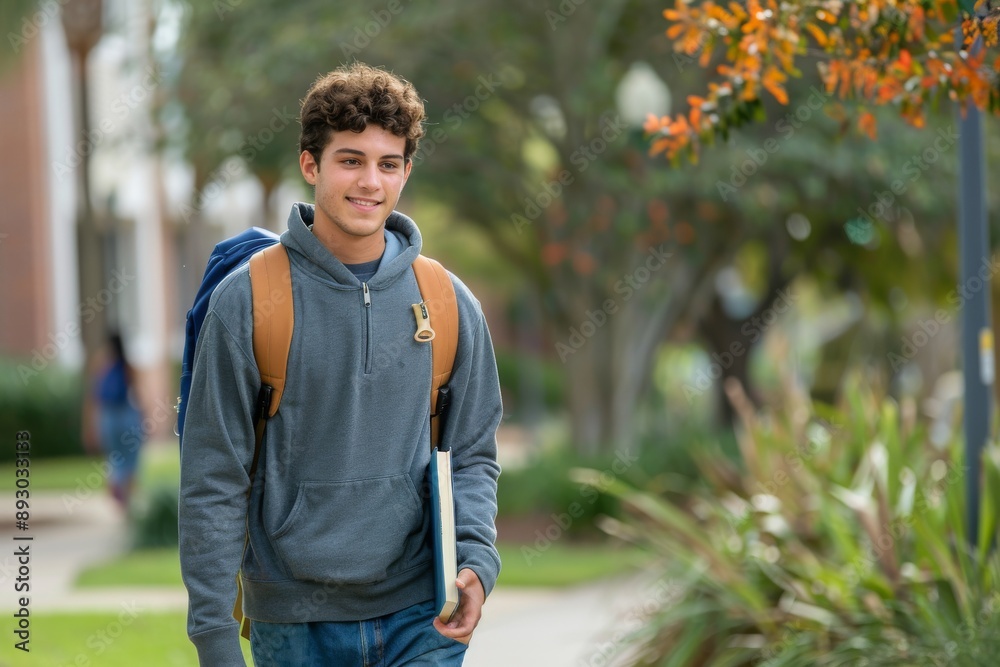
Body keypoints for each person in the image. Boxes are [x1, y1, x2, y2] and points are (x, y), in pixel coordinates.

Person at [179, 63, 503, 666]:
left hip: (420, 613)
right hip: (295, 623)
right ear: (311, 165)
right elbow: (212, 477)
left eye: (387, 164)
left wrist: (476, 564)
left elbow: (475, 454)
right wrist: (214, 637)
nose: (369, 182)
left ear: (406, 170)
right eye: (350, 160)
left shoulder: (447, 302)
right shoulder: (248, 300)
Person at [83, 331, 145, 511]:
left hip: (108, 417)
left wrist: (90, 426)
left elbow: (94, 397)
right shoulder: (127, 365)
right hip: (128, 415)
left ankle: (117, 494)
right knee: (131, 457)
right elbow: (137, 393)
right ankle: (128, 500)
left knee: (114, 457)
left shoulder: (101, 364)